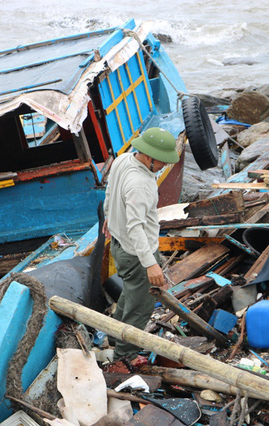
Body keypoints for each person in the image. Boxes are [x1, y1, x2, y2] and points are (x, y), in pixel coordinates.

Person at [103, 127, 180, 361]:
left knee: (131, 293)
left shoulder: (123, 158)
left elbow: (110, 192)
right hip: (137, 252)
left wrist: (109, 216)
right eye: (162, 163)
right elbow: (136, 227)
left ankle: (115, 337)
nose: (164, 167)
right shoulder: (141, 183)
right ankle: (124, 355)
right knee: (141, 306)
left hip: (119, 245)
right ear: (148, 156)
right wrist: (151, 264)